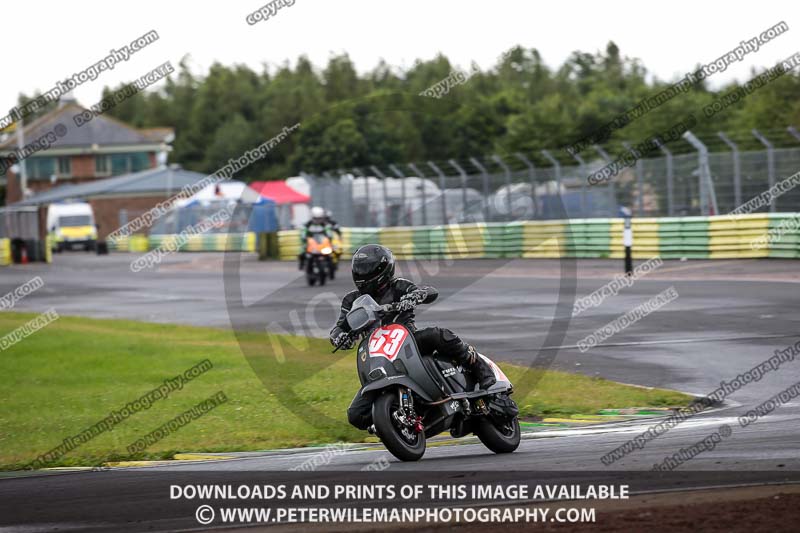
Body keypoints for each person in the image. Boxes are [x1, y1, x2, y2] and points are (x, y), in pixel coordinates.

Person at [329, 244, 496, 430]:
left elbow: (428, 291)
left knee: (437, 334)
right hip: (377, 350)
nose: (363, 273)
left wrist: (415, 296)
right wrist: (339, 337)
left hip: (407, 338)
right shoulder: (351, 300)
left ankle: (480, 367)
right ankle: (390, 420)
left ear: (382, 269)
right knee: (356, 414)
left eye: (367, 269)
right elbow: (339, 326)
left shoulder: (399, 286)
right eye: (360, 269)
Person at [299, 206, 332, 270]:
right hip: (310, 243)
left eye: (319, 218)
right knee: (302, 251)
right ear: (312, 217)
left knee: (331, 252)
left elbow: (328, 232)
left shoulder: (325, 225)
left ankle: (331, 268)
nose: (317, 220)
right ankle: (302, 264)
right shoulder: (307, 225)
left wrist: (329, 235)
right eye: (315, 218)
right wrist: (303, 236)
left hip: (321, 243)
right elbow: (303, 232)